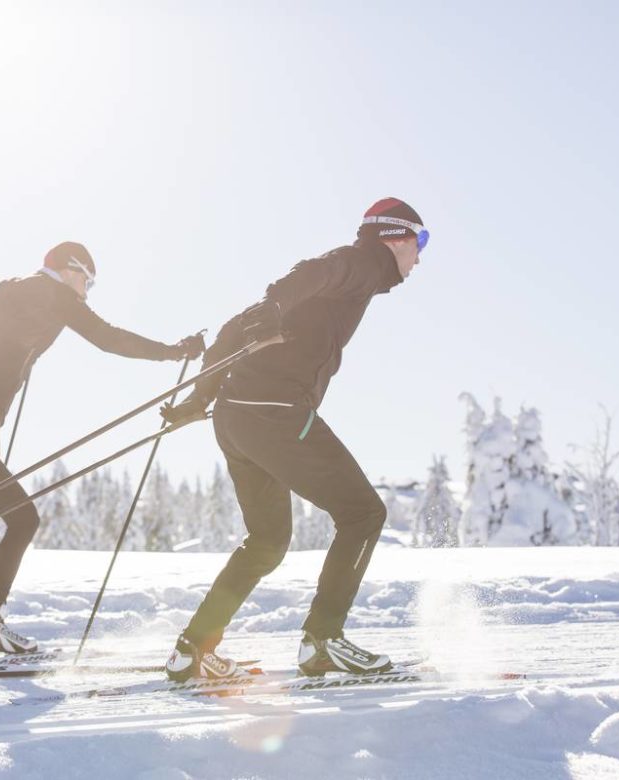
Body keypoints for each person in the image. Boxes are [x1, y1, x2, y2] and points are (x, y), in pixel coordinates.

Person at [159, 198, 428, 680]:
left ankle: (193, 649)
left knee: (266, 542)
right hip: (277, 412)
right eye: (420, 243)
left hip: (235, 417)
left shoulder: (346, 277)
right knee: (364, 513)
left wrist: (200, 401)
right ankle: (323, 641)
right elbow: (313, 271)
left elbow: (229, 332)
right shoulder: (365, 262)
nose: (420, 257)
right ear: (397, 237)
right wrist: (274, 303)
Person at [0, 241, 205, 664]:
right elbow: (108, 338)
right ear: (69, 269)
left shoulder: (11, 288)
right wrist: (173, 351)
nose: (86, 291)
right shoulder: (53, 294)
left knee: (22, 519)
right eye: (88, 280)